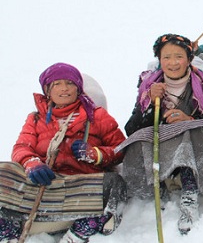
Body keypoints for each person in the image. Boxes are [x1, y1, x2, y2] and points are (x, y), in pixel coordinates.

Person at [0, 63, 127, 243]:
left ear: (78, 88)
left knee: (115, 183)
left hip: (81, 187)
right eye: (57, 84)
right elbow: (21, 148)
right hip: (46, 184)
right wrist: (32, 163)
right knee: (4, 171)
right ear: (47, 90)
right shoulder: (35, 118)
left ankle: (79, 232)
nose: (64, 89)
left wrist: (95, 154)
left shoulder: (97, 116)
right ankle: (8, 231)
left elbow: (119, 149)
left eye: (70, 83)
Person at [121, 34, 203, 235]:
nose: (172, 63)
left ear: (189, 59)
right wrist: (152, 104)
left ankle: (190, 192)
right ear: (159, 60)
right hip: (162, 152)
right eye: (166, 57)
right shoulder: (148, 87)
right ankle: (157, 185)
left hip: (194, 150)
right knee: (139, 139)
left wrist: (189, 120)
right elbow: (132, 129)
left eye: (178, 56)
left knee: (188, 129)